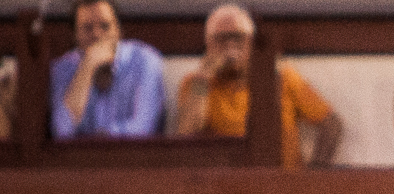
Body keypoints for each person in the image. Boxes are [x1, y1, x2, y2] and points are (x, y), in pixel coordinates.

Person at [176, 3, 342, 169]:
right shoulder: (196, 83)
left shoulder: (282, 77)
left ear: (252, 42)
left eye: (238, 37)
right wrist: (203, 79)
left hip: (284, 179)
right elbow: (185, 140)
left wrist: (314, 173)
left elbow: (332, 124)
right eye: (221, 38)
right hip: (228, 181)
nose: (230, 45)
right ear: (208, 44)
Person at [50, 0, 165, 139]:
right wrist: (87, 67)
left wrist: (101, 138)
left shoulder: (145, 61)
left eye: (105, 26)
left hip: (132, 152)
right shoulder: (62, 69)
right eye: (87, 28)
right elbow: (61, 132)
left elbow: (143, 128)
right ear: (75, 35)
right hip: (80, 153)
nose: (97, 35)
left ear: (118, 30)